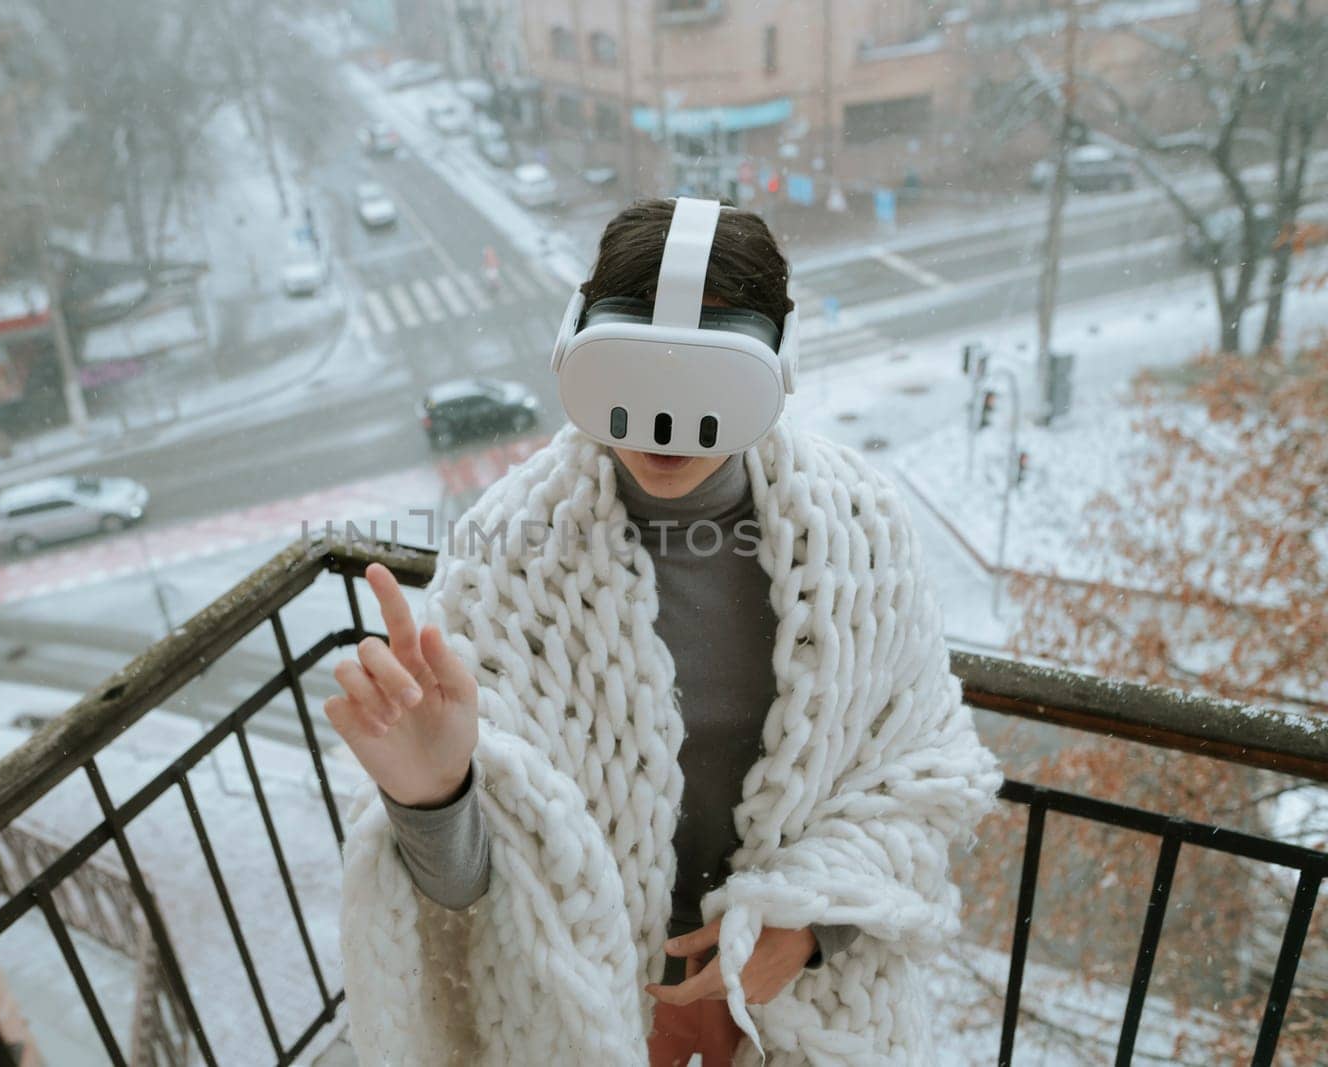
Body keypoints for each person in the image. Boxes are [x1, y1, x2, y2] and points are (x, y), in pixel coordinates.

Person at [328, 199, 1002, 1065]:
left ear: (776, 366)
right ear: (576, 351)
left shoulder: (863, 534)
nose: (665, 429)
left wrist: (808, 925)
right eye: (633, 379)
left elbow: (924, 773)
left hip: (804, 1004)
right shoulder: (506, 561)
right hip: (574, 1008)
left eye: (708, 384)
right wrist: (433, 800)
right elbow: (469, 890)